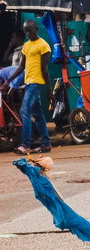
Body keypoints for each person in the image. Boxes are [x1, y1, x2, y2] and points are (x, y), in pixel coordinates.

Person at [4, 20, 52, 154]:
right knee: (38, 113)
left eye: (29, 30)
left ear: (36, 29)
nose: (27, 33)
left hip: (36, 83)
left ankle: (25, 145)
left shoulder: (43, 45)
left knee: (25, 112)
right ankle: (46, 143)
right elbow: (21, 67)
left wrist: (49, 90)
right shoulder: (26, 46)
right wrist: (9, 80)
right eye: (25, 31)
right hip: (28, 82)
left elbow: (45, 69)